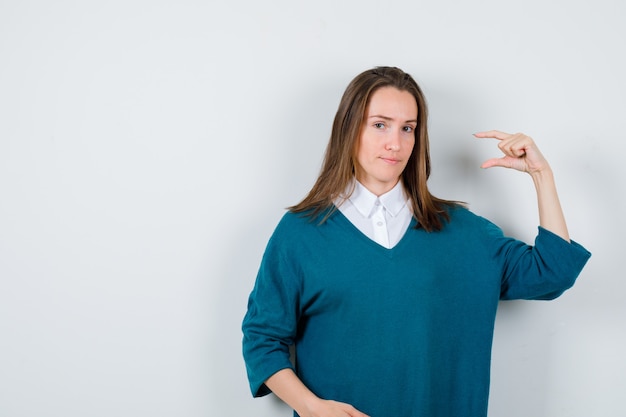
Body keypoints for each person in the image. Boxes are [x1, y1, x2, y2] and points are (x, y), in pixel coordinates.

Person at [241, 66, 591, 417]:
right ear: (349, 129)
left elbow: (553, 271)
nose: (395, 143)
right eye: (379, 124)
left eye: (408, 128)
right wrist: (313, 407)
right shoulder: (302, 233)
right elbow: (262, 339)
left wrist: (541, 175)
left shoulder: (464, 233)